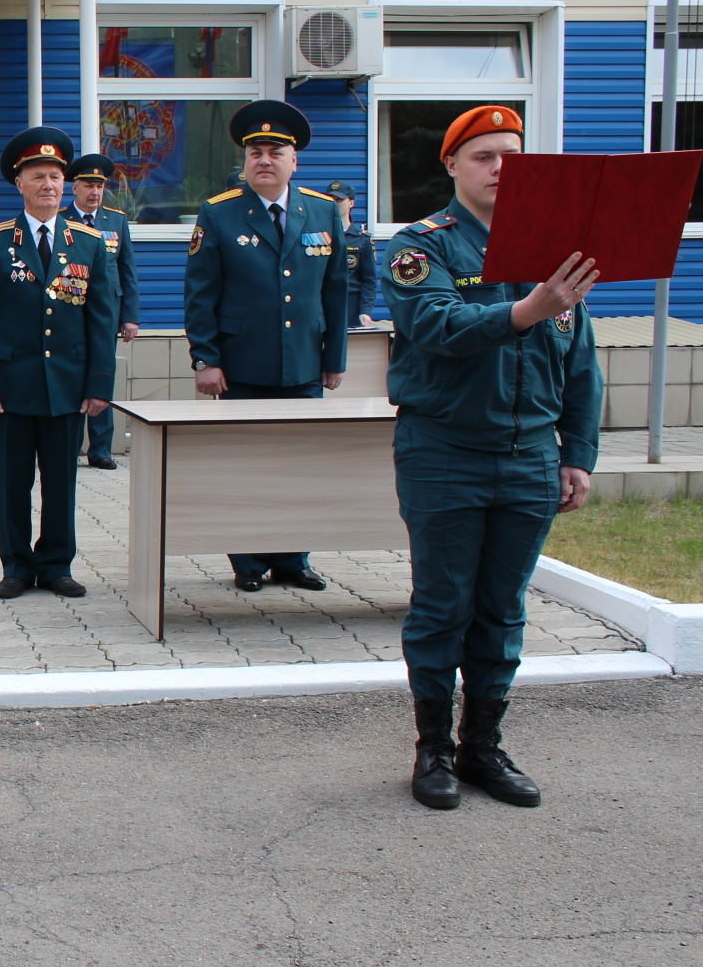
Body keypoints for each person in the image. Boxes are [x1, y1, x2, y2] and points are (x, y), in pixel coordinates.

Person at [381, 105, 602, 811]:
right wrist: (527, 309)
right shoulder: (422, 246)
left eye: (512, 153)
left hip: (531, 456)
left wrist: (579, 453)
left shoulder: (553, 249)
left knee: (503, 609)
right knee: (443, 606)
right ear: (451, 165)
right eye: (483, 155)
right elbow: (435, 325)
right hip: (445, 452)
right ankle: (433, 749)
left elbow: (581, 364)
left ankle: (483, 746)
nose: (500, 166)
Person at [183, 100, 349, 593]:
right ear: (245, 160)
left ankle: (294, 560)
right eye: (255, 151)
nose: (265, 160)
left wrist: (333, 357)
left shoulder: (321, 211)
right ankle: (249, 562)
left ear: (294, 160)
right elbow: (200, 295)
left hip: (302, 363)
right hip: (240, 365)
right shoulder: (219, 213)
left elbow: (336, 290)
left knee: (300, 466)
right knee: (245, 467)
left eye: (276, 151)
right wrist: (205, 358)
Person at [0, 126, 118, 600]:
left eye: (55, 176)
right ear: (20, 184)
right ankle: (15, 565)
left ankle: (55, 565)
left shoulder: (90, 243)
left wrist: (99, 385)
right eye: (37, 176)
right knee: (13, 482)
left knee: (61, 481)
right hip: (10, 385)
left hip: (68, 384)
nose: (48, 184)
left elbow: (101, 319)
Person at [62, 154, 138, 471]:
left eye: (100, 186)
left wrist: (130, 315)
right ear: (75, 188)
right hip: (70, 310)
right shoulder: (61, 219)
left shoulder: (116, 221)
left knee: (102, 376)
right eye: (88, 186)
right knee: (71, 377)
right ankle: (67, 446)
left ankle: (101, 449)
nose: (95, 192)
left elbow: (127, 269)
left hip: (107, 311)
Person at [329, 182, 379, 326]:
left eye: (339, 200)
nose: (334, 203)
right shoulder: (318, 236)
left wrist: (365, 311)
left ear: (351, 203)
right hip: (322, 304)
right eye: (330, 199)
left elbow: (369, 279)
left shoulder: (362, 239)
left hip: (351, 306)